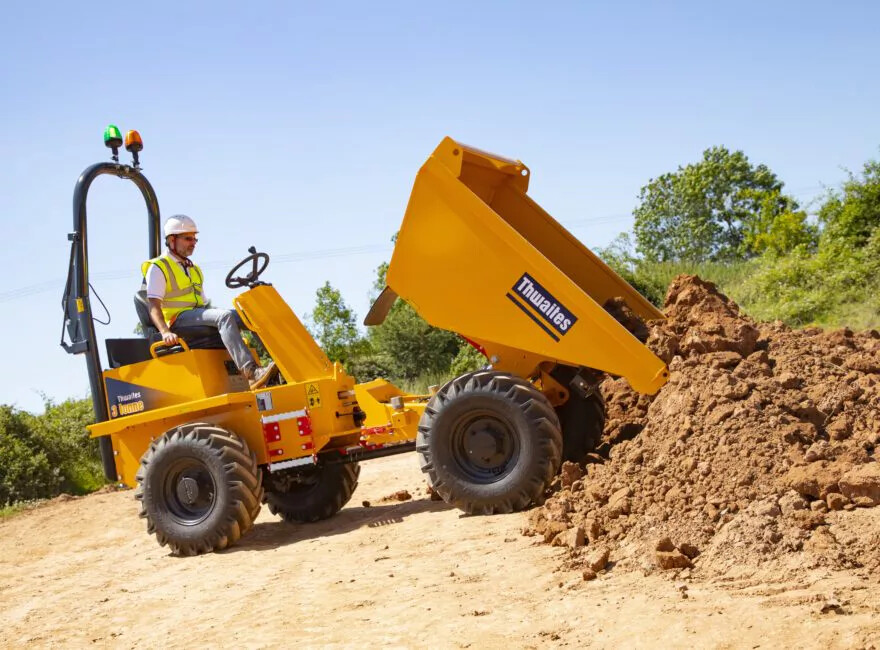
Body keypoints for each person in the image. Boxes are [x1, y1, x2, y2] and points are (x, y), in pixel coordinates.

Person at [142, 214, 277, 389]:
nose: (193, 243)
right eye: (188, 238)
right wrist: (165, 332)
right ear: (172, 240)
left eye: (195, 239)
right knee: (224, 316)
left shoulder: (194, 269)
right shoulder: (159, 267)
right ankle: (251, 373)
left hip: (197, 315)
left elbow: (204, 304)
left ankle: (281, 363)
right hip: (177, 321)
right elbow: (153, 305)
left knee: (249, 314)